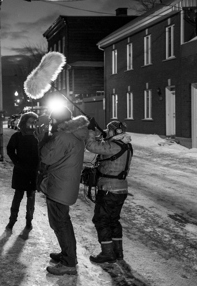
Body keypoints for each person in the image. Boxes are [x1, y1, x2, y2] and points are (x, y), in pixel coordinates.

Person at [34, 105, 90, 276]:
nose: (51, 123)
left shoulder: (62, 137)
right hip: (65, 185)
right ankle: (67, 255)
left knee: (60, 223)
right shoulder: (74, 135)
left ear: (58, 121)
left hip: (59, 186)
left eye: (52, 120)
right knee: (62, 222)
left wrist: (42, 139)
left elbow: (46, 157)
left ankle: (69, 262)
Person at [85, 120, 133, 263]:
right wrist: (103, 134)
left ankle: (107, 253)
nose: (107, 132)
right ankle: (118, 252)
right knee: (113, 220)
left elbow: (91, 145)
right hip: (121, 189)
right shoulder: (126, 145)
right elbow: (105, 143)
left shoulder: (113, 146)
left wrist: (91, 131)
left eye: (109, 130)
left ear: (114, 132)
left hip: (108, 189)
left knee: (101, 220)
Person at [5, 112, 39, 231]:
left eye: (35, 122)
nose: (32, 124)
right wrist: (17, 162)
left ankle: (29, 221)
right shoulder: (18, 136)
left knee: (31, 198)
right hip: (20, 171)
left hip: (33, 171)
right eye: (30, 121)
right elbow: (10, 149)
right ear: (24, 122)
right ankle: (12, 221)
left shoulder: (38, 136)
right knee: (17, 197)